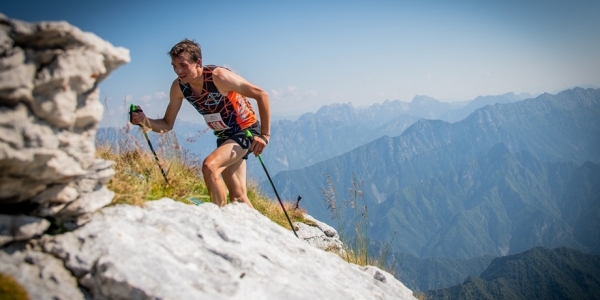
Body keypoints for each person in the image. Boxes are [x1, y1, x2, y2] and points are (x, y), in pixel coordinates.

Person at [130, 39, 270, 208]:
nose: (178, 71)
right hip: (224, 136)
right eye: (174, 66)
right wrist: (143, 120)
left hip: (245, 130)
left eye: (183, 65)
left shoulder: (219, 77)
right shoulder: (179, 87)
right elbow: (167, 124)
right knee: (238, 197)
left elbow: (261, 95)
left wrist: (264, 135)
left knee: (210, 167)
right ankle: (255, 233)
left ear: (198, 62)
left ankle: (218, 222)